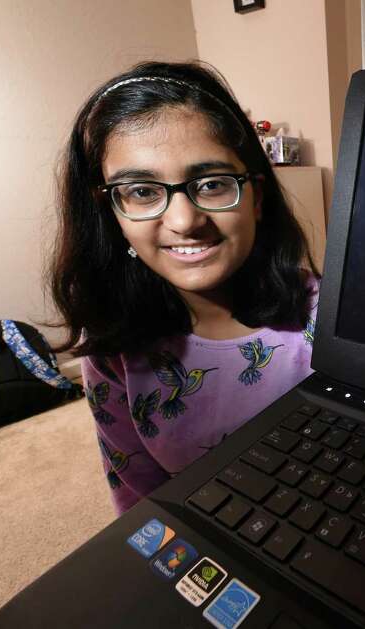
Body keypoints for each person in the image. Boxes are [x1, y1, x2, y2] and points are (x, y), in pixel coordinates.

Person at [48, 61, 318, 514]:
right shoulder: (113, 349)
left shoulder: (328, 318)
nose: (184, 221)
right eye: (141, 192)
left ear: (257, 196)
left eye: (212, 184)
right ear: (110, 214)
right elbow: (138, 498)